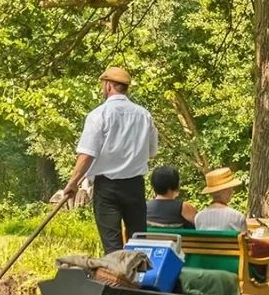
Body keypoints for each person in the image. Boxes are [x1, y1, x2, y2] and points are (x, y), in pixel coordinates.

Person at [58, 67, 159, 255]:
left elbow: (87, 154)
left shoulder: (99, 115)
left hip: (107, 187)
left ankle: (115, 281)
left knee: (112, 244)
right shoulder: (144, 115)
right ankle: (137, 281)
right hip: (135, 185)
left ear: (108, 85)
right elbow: (152, 152)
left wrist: (73, 183)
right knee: (138, 242)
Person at [192, 166, 249, 232]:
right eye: (231, 188)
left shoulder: (199, 217)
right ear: (226, 190)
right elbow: (245, 241)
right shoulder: (237, 217)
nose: (232, 191)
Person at [146, 165, 197, 229]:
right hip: (177, 239)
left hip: (150, 239)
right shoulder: (183, 207)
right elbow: (203, 225)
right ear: (176, 185)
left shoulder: (144, 207)